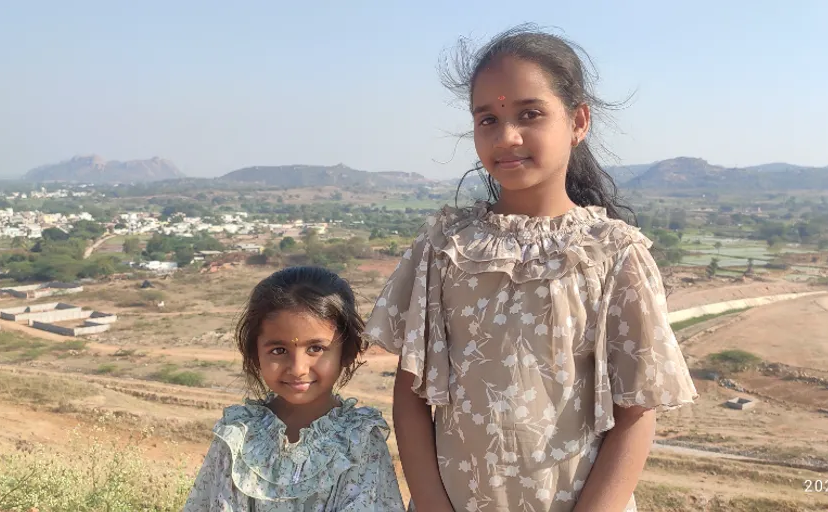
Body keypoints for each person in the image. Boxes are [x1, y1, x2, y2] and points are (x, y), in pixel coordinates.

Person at [364, 24, 698, 512]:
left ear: (578, 121)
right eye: (488, 119)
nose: (507, 137)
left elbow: (635, 413)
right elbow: (412, 391)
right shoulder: (445, 246)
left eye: (529, 114)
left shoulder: (614, 254)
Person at [184, 266, 404, 511]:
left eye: (316, 349)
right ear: (255, 353)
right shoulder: (238, 435)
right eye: (279, 351)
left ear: (347, 351)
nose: (298, 368)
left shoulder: (359, 440)